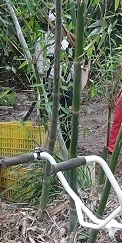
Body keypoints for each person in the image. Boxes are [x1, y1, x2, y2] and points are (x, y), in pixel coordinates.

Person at [35, 13, 77, 149]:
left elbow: (75, 60)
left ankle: (67, 147)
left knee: (67, 118)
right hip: (51, 84)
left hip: (67, 84)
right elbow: (41, 67)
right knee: (50, 117)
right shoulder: (43, 41)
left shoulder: (67, 41)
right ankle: (49, 148)